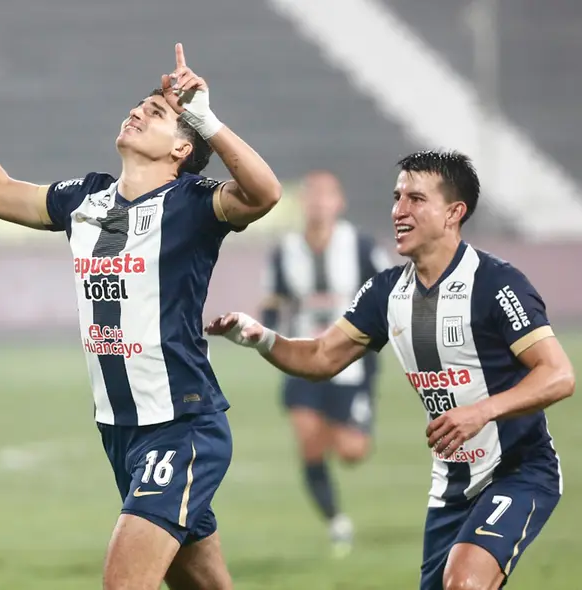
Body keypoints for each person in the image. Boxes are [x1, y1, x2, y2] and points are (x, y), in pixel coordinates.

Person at [0, 28, 282, 590]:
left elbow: (263, 194)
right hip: (120, 428)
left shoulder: (193, 205)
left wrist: (205, 117)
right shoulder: (86, 200)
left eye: (155, 112)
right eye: (138, 106)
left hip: (179, 424)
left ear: (183, 148)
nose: (137, 112)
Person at [207, 150, 572, 590]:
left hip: (518, 470)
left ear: (454, 213)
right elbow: (322, 358)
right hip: (451, 483)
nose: (399, 210)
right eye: (397, 197)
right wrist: (259, 337)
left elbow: (558, 374)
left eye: (416, 199)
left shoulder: (496, 282)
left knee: (465, 583)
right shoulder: (386, 292)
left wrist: (482, 411)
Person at [260, 170, 391, 556]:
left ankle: (346, 424)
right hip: (301, 358)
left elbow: (388, 290)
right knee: (308, 440)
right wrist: (266, 334)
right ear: (303, 203)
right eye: (311, 196)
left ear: (339, 202)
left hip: (351, 361)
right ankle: (336, 521)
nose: (318, 203)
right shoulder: (285, 250)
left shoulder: (362, 246)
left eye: (325, 196)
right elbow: (273, 301)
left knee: (352, 451)